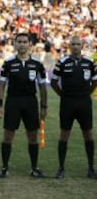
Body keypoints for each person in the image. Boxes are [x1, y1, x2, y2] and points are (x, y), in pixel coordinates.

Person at [0, 33, 47, 178]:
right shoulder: (8, 63)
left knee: (32, 136)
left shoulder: (37, 65)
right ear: (15, 44)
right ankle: (4, 168)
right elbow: (1, 85)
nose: (22, 44)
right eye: (19, 42)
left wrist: (43, 107)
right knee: (8, 135)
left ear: (29, 44)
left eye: (25, 42)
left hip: (30, 102)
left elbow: (43, 87)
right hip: (13, 101)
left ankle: (34, 168)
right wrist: (0, 105)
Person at [51, 35, 97, 179]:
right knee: (64, 134)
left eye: (78, 44)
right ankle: (61, 169)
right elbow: (53, 82)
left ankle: (91, 169)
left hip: (84, 103)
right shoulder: (62, 62)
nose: (76, 46)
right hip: (68, 103)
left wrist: (86, 94)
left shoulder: (89, 62)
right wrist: (63, 95)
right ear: (69, 46)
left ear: (82, 46)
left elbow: (95, 82)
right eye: (73, 44)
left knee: (88, 134)